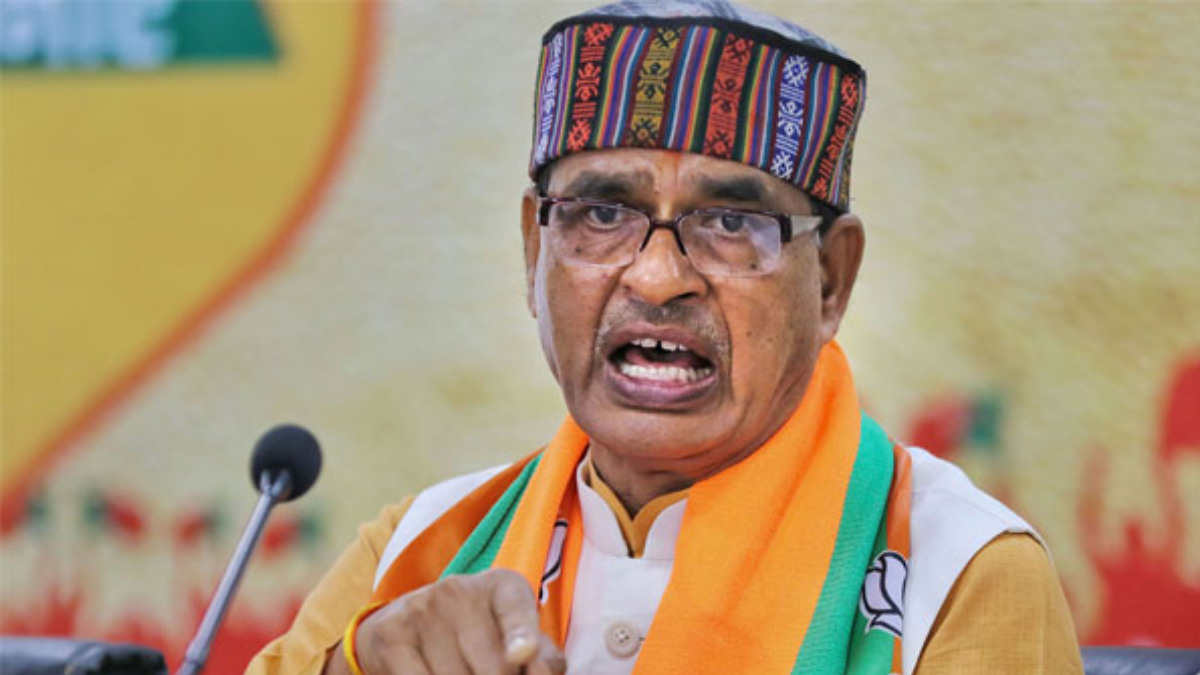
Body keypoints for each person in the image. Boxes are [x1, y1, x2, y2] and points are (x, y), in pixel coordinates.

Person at [247, 2, 1082, 673]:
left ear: (830, 278)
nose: (655, 276)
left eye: (732, 223)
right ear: (536, 251)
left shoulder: (961, 571)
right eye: (602, 214)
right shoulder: (417, 553)